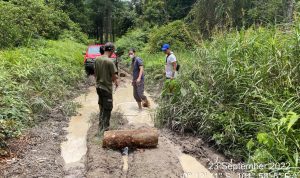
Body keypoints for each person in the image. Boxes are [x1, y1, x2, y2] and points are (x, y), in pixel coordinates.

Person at [94, 42, 119, 132]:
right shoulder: (109, 61)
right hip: (106, 88)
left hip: (98, 87)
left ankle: (100, 127)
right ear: (111, 50)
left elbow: (95, 74)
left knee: (101, 106)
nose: (113, 52)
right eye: (113, 51)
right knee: (108, 108)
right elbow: (114, 77)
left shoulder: (97, 59)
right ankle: (105, 129)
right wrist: (116, 82)